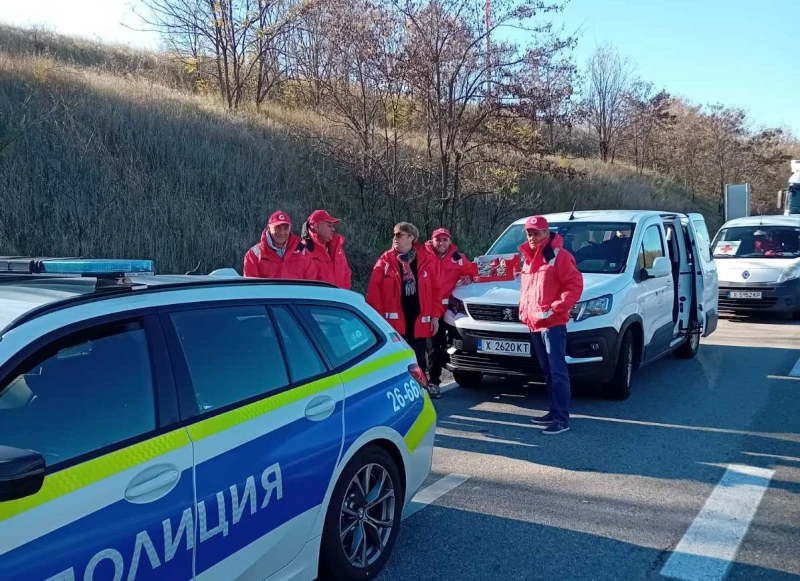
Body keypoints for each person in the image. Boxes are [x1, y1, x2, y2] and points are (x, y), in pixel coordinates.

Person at [518, 215, 583, 435]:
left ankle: (562, 419)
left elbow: (574, 285)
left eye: (536, 233)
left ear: (547, 233)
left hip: (552, 324)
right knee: (547, 370)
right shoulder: (528, 258)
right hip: (535, 323)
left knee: (557, 371)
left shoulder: (559, 256)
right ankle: (554, 411)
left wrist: (556, 307)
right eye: (529, 233)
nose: (532, 237)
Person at [366, 222, 441, 379]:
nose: (395, 238)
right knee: (397, 363)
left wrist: (435, 317)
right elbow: (374, 294)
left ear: (411, 237)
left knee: (419, 360)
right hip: (394, 324)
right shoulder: (385, 260)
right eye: (394, 234)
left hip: (419, 322)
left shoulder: (426, 260)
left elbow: (436, 290)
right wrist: (379, 322)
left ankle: (422, 392)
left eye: (399, 234)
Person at [423, 227, 476, 398]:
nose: (441, 243)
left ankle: (437, 381)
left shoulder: (458, 259)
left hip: (449, 311)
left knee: (442, 347)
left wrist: (470, 276)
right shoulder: (423, 256)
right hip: (428, 309)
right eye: (438, 239)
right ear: (432, 241)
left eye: (445, 239)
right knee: (428, 347)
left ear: (450, 241)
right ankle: (428, 382)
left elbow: (473, 269)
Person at [243, 210, 316, 280]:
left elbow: (310, 285)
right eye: (277, 228)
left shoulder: (303, 253)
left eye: (285, 228)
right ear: (269, 228)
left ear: (290, 229)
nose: (281, 232)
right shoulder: (253, 254)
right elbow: (251, 287)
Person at [301, 209, 352, 289]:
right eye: (329, 226)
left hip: (339, 299)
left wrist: (343, 295)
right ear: (317, 227)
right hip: (318, 300)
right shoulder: (303, 250)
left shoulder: (338, 250)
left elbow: (347, 274)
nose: (333, 229)